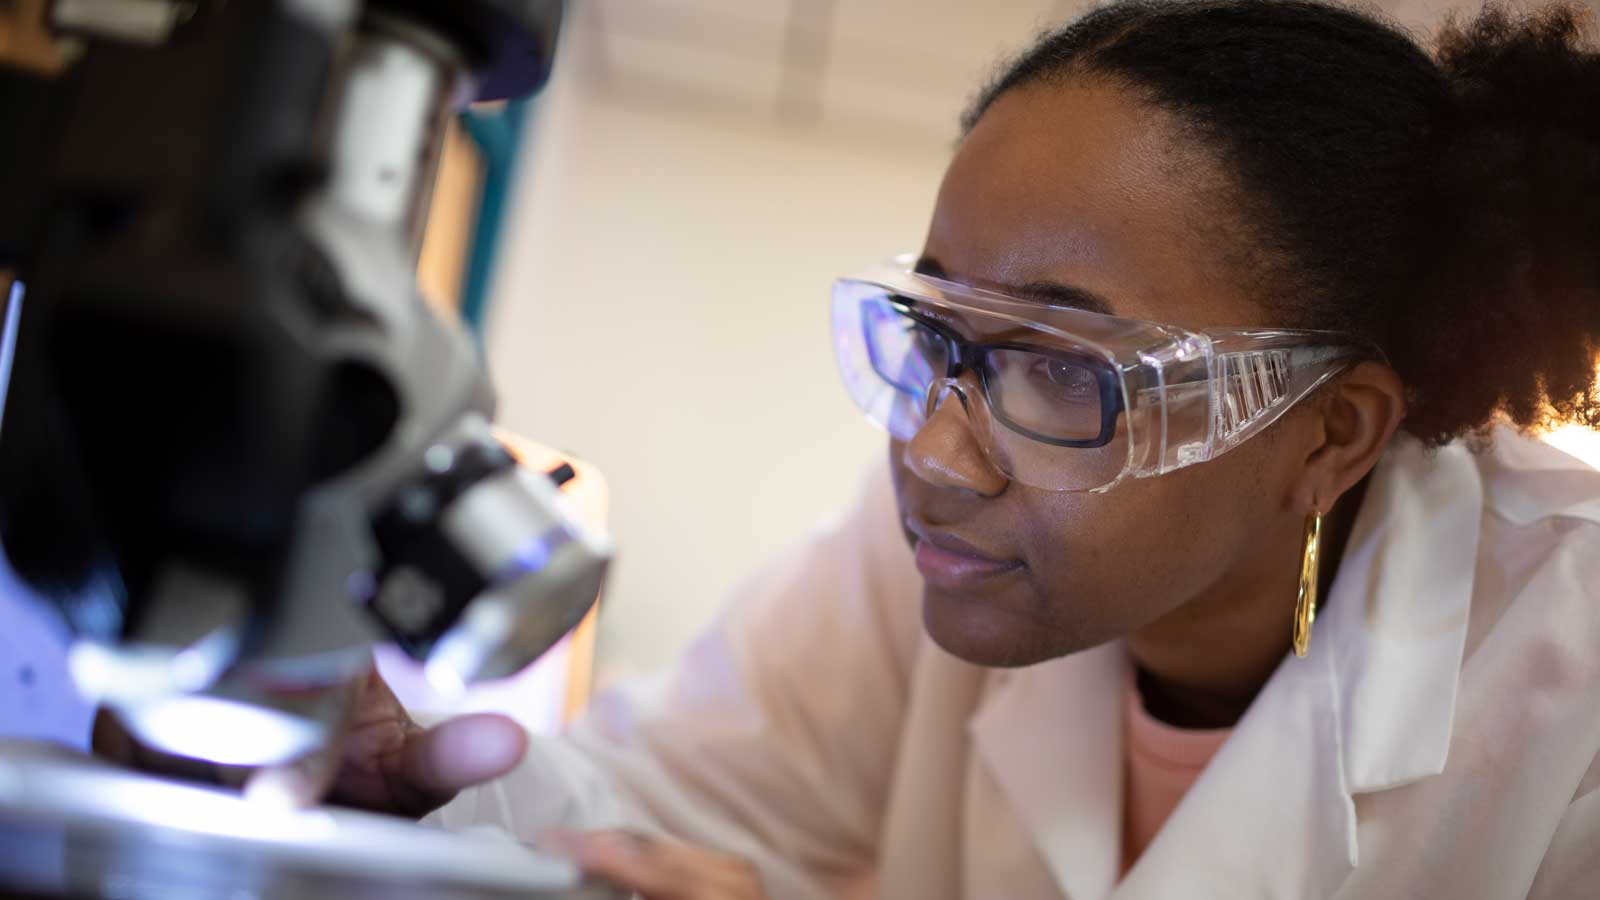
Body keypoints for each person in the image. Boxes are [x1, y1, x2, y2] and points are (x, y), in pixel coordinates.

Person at [102, 1, 1600, 897]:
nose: (933, 452)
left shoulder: (1571, 680)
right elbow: (659, 797)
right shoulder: (937, 565)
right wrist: (412, 817)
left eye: (1059, 369)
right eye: (936, 335)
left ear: (1332, 429)